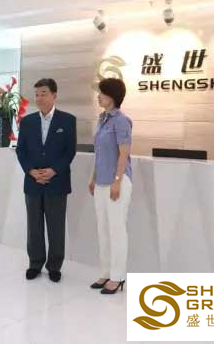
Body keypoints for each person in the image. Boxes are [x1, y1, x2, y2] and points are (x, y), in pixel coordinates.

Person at [16, 78, 76, 283]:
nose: (39, 98)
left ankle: (54, 266)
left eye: (43, 93)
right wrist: (31, 171)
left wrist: (54, 170)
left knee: (56, 226)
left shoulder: (67, 120)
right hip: (33, 181)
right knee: (34, 226)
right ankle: (35, 263)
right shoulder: (27, 121)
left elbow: (69, 151)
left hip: (57, 182)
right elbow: (21, 150)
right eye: (37, 94)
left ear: (54, 95)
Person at [88, 78, 133, 295]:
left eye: (102, 93)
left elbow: (124, 153)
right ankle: (106, 272)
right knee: (103, 229)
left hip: (118, 182)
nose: (98, 96)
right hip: (101, 182)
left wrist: (117, 181)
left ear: (112, 96)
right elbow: (100, 154)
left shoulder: (122, 121)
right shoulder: (102, 119)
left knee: (116, 230)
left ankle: (118, 276)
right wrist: (93, 178)